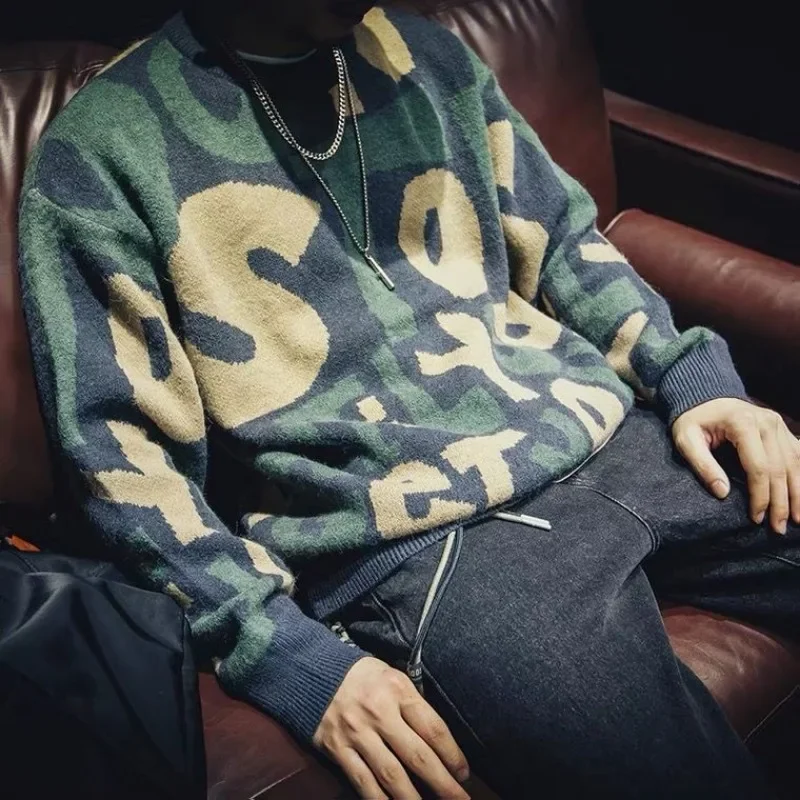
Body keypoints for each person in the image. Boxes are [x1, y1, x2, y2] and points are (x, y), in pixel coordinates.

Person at [17, 1, 799, 797]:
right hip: (433, 543)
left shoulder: (427, 57)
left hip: (609, 435)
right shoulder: (101, 151)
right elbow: (124, 465)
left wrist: (689, 380)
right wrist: (284, 653)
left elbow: (564, 240)